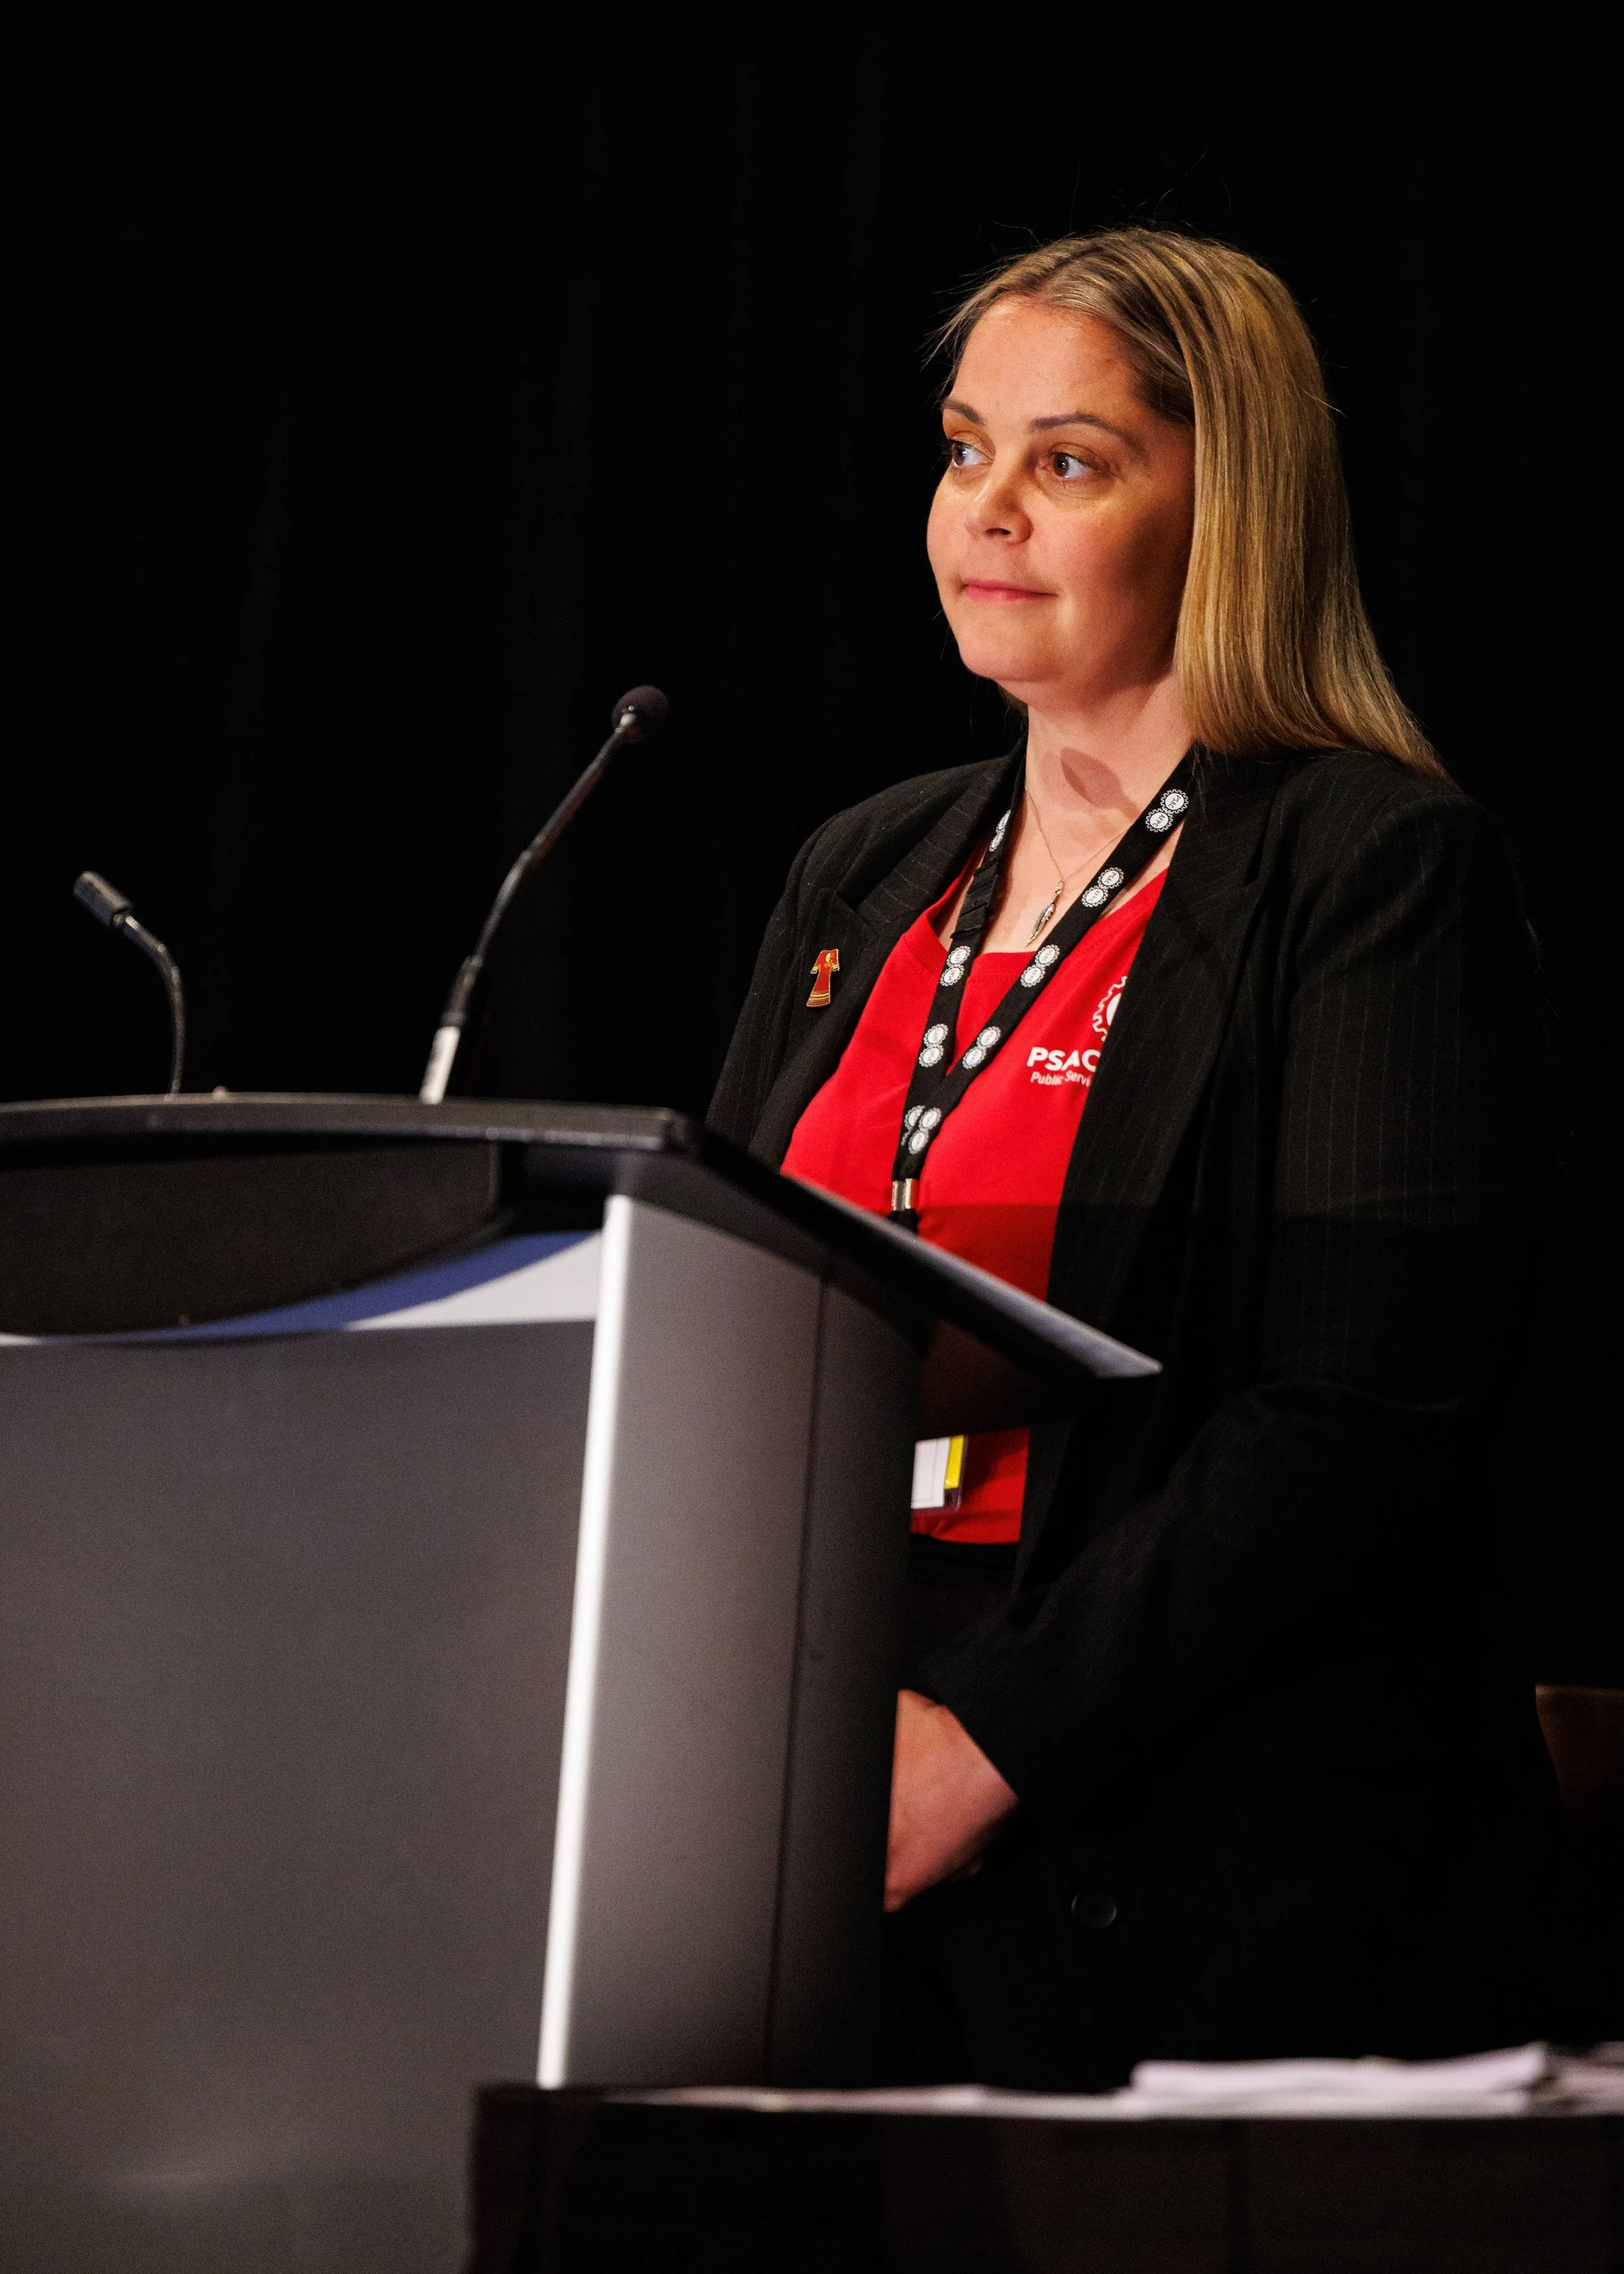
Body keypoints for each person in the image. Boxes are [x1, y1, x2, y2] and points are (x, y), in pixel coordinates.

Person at [707, 228, 1573, 2086]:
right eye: (962, 449)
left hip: (1179, 1845)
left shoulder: (1364, 870)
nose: (986, 508)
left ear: (1227, 507)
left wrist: (976, 1740)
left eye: (1069, 461)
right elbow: (733, 1314)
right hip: (814, 1782)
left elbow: (1358, 1418)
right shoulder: (862, 869)